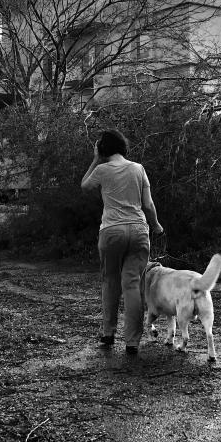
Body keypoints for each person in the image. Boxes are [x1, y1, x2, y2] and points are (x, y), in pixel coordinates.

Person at [81, 129, 163, 356]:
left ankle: (108, 334)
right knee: (133, 285)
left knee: (110, 281)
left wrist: (96, 159)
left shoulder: (101, 170)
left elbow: (85, 186)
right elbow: (148, 204)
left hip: (111, 231)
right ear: (123, 146)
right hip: (138, 230)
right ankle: (132, 343)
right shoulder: (139, 169)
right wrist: (155, 225)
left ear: (103, 148)